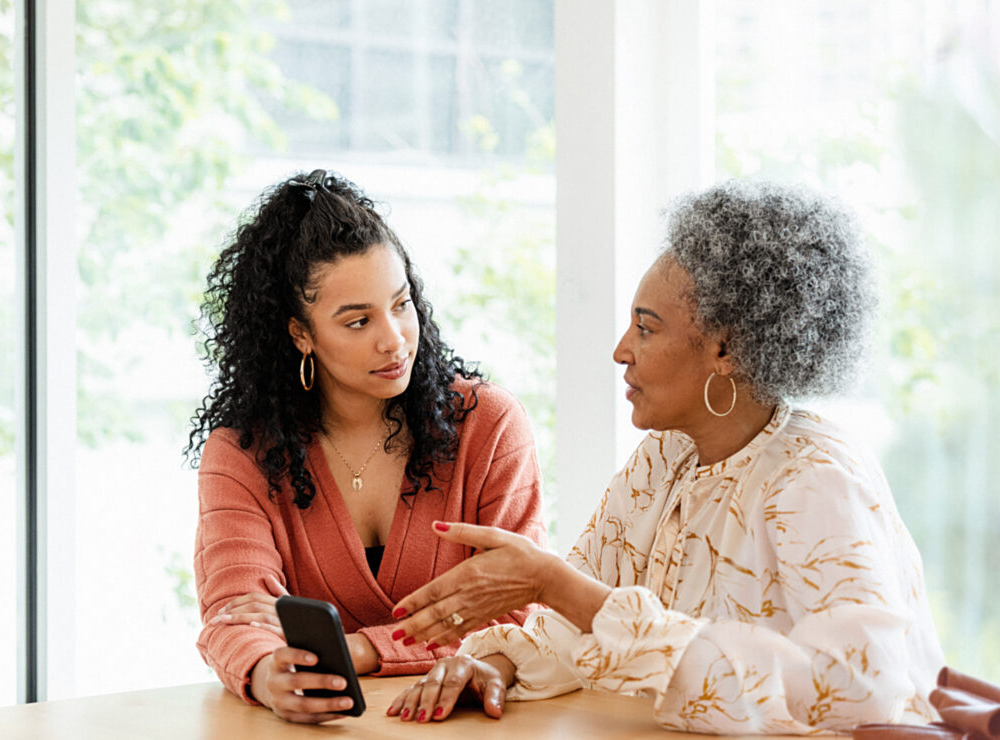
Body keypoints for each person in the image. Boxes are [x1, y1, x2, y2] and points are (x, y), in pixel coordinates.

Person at [385, 180, 945, 733]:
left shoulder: (816, 479)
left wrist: (549, 582)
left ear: (726, 348)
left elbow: (858, 691)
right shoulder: (663, 457)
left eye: (645, 328)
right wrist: (494, 664)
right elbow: (578, 622)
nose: (620, 350)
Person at [185, 170, 546, 724]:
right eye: (358, 321)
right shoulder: (243, 452)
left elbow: (518, 616)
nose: (394, 339)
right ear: (300, 334)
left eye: (401, 305)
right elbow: (236, 613)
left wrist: (358, 650)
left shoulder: (489, 425)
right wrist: (266, 672)